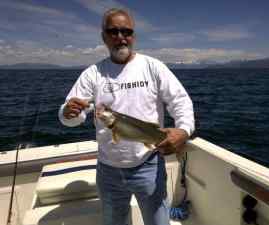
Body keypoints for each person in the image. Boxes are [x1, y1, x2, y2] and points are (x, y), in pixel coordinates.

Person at [58, 8, 194, 225]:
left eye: (126, 31)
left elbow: (180, 101)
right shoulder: (93, 73)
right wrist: (67, 112)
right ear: (104, 37)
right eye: (113, 31)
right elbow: (71, 116)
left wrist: (183, 130)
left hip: (149, 166)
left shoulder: (153, 67)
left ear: (133, 36)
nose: (120, 37)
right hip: (108, 171)